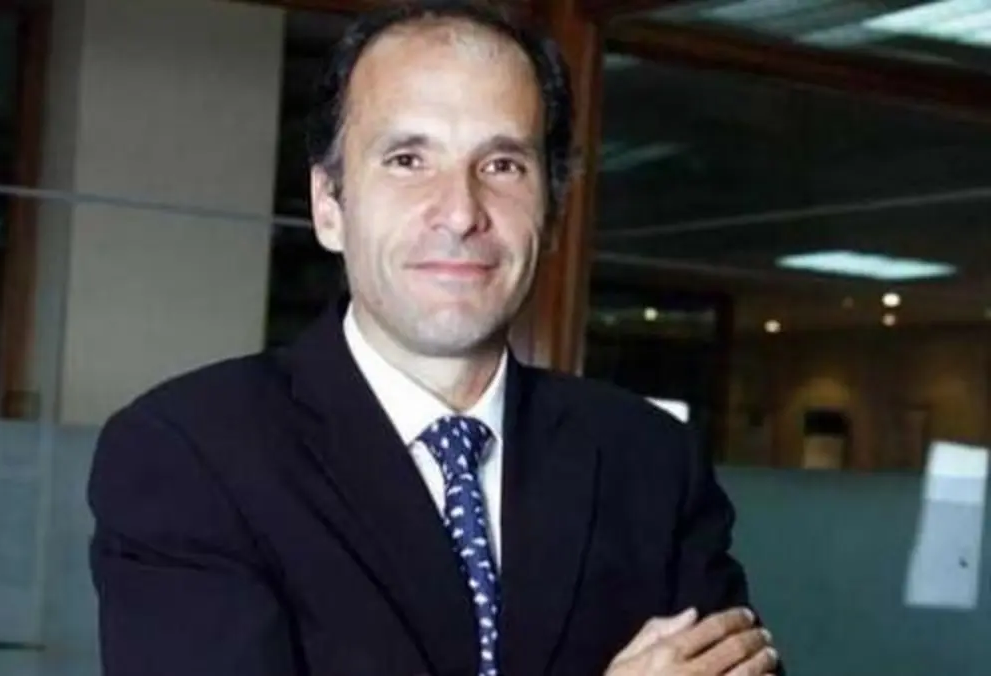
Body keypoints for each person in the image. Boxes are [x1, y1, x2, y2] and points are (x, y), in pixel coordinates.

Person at [87, 1, 782, 675]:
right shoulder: (190, 454)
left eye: (502, 165)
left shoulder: (649, 462)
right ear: (329, 206)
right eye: (407, 160)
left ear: (552, 211)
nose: (459, 211)